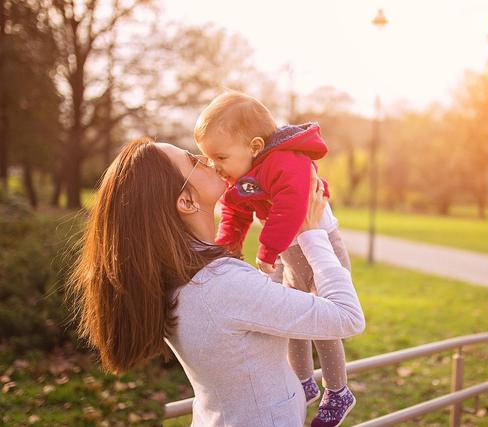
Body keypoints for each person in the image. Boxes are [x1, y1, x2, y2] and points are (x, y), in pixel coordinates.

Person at [67, 137, 365, 426]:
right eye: (192, 161)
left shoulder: (183, 274)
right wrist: (312, 233)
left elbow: (257, 304)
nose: (205, 159)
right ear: (186, 200)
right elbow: (348, 317)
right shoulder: (219, 284)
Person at [193, 91, 357, 427]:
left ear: (253, 146)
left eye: (220, 157)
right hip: (292, 249)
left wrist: (266, 251)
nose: (215, 167)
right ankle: (303, 381)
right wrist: (227, 251)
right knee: (294, 316)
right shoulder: (242, 178)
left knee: (321, 317)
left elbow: (291, 210)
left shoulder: (287, 161)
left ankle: (338, 390)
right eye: (209, 159)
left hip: (320, 244)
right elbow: (234, 216)